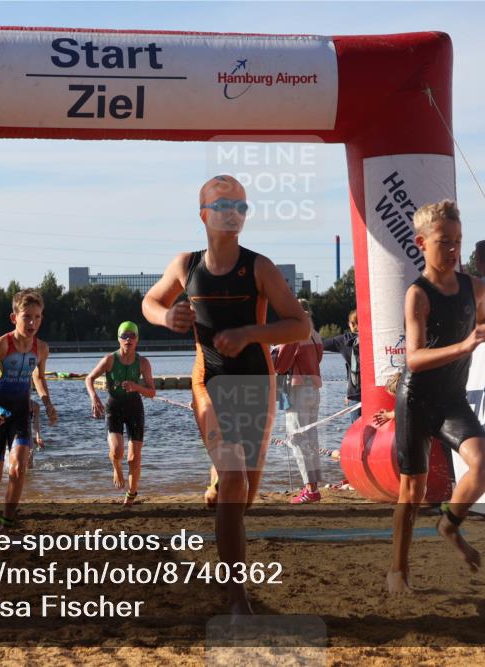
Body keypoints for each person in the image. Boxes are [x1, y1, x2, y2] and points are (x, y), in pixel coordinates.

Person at [142, 175, 310, 614]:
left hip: (257, 381)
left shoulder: (259, 267)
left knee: (244, 496)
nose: (233, 212)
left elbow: (299, 325)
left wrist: (251, 332)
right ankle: (237, 597)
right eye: (223, 205)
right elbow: (149, 302)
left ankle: (220, 486)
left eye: (240, 205)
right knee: (235, 478)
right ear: (204, 215)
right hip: (209, 381)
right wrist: (166, 318)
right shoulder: (186, 265)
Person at [390, 199, 485, 595]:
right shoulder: (418, 294)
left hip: (450, 399)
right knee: (411, 491)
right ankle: (398, 570)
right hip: (416, 399)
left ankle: (448, 523)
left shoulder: (474, 287)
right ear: (421, 243)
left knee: (484, 466)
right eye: (443, 242)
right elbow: (414, 359)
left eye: (458, 242)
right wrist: (465, 347)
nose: (453, 250)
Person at [0, 289, 58, 530]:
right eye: (27, 316)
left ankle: (6, 522)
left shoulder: (41, 348)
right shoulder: (2, 344)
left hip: (20, 413)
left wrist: (47, 403)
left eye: (37, 317)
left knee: (19, 467)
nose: (32, 323)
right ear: (13, 317)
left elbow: (38, 377)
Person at [85, 321, 156, 507]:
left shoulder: (143, 362)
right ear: (119, 339)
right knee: (117, 451)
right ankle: (116, 468)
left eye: (132, 336)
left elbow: (152, 392)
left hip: (134, 408)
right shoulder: (110, 359)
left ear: (137, 339)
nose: (128, 339)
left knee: (134, 458)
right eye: (124, 336)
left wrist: (136, 387)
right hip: (114, 406)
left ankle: (131, 495)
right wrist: (94, 397)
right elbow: (89, 379)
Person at [273, 299, 325, 504]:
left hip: (296, 390)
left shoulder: (293, 334)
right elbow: (318, 358)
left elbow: (280, 365)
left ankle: (310, 489)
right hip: (314, 387)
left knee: (296, 438)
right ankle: (313, 486)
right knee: (311, 437)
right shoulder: (314, 334)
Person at [322, 309, 361, 423]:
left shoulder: (345, 340)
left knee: (357, 432)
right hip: (376, 392)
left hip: (356, 394)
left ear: (352, 324)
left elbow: (322, 344)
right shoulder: (376, 337)